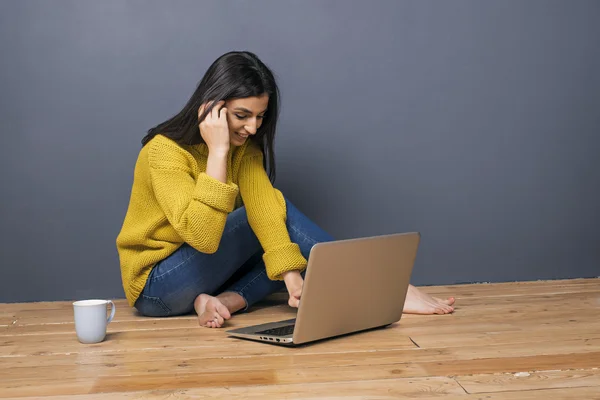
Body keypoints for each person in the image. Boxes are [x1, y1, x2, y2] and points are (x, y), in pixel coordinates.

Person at [116, 51, 455, 328]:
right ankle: (386, 288)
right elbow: (203, 238)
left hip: (205, 282)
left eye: (260, 117)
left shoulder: (245, 152)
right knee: (276, 228)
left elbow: (267, 213)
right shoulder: (163, 151)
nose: (252, 127)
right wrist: (218, 151)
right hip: (156, 288)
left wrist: (292, 277)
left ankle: (222, 302)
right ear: (212, 108)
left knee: (283, 245)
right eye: (241, 115)